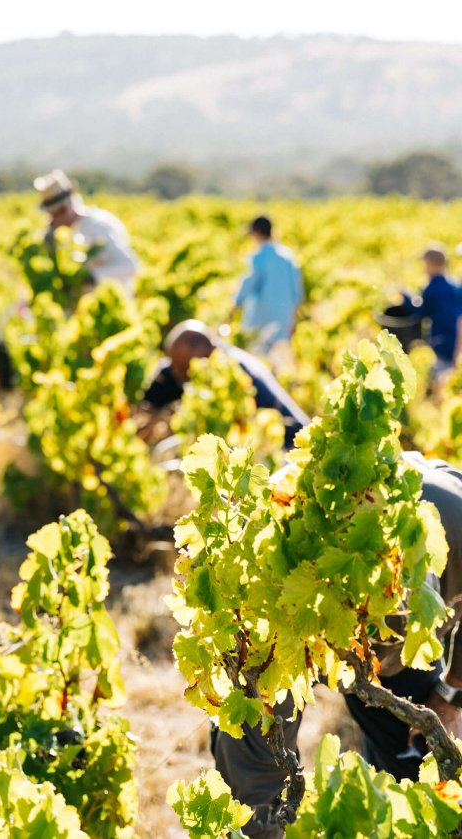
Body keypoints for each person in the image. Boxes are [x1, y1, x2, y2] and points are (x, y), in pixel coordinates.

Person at [210, 453, 462, 838]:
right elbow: (255, 770)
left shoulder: (453, 519)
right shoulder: (268, 562)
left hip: (400, 657)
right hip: (287, 629)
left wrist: (451, 694)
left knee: (429, 767)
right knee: (252, 791)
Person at [142, 319, 310, 450]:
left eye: (183, 368)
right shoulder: (217, 357)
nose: (180, 375)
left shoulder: (233, 372)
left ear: (203, 355)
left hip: (290, 447)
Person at [34, 169, 139, 288]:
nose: (51, 221)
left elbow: (130, 266)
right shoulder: (68, 233)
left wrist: (93, 277)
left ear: (64, 210)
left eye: (52, 215)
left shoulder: (99, 225)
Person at [233, 215, 304, 356]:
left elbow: (246, 287)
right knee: (278, 362)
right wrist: (293, 320)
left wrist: (232, 310)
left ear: (257, 232)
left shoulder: (257, 257)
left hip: (260, 320)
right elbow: (297, 293)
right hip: (284, 319)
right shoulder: (288, 256)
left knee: (259, 360)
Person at [401, 243, 461, 379]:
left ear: (431, 264)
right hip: (455, 340)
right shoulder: (454, 285)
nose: (424, 268)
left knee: (440, 377)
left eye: (425, 264)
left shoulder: (432, 288)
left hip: (440, 341)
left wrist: (405, 296)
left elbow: (421, 312)